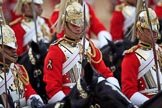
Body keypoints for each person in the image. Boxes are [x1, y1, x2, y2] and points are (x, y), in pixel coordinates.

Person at [43, 1, 120, 104]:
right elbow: (53, 88)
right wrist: (67, 104)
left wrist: (114, 91)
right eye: (74, 24)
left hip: (91, 97)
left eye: (81, 23)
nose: (79, 28)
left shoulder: (89, 46)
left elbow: (105, 72)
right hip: (69, 98)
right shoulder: (56, 50)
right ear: (65, 23)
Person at [121, 7, 162, 107]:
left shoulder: (160, 50)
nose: (155, 33)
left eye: (156, 28)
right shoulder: (131, 57)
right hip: (148, 102)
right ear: (139, 31)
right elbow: (129, 92)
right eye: (149, 30)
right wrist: (153, 104)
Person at [0, 22, 43, 107]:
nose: (15, 50)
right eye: (9, 48)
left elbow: (29, 92)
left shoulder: (18, 69)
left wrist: (35, 101)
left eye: (15, 46)